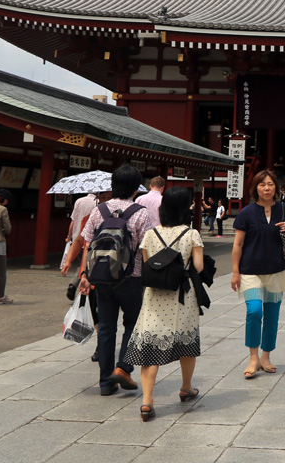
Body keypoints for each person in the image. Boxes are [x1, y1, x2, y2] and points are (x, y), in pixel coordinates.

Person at [72, 167, 154, 395]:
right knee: (133, 325)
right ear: (135, 187)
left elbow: (87, 242)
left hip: (102, 278)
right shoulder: (141, 212)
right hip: (131, 277)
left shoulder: (100, 210)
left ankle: (106, 384)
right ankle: (123, 368)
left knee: (106, 329)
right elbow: (146, 246)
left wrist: (85, 275)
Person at [125, 187, 204, 421]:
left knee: (150, 348)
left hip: (154, 297)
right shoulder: (192, 234)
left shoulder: (151, 234)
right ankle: (186, 387)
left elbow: (149, 264)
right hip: (182, 296)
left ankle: (147, 401)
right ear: (185, 207)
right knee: (186, 340)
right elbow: (198, 267)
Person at [232, 170, 285, 379]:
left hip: (276, 270)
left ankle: (266, 356)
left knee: (272, 316)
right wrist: (235, 272)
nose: (266, 188)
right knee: (254, 311)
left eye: (270, 184)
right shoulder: (247, 212)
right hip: (250, 271)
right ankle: (253, 357)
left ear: (276, 187)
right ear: (255, 188)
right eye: (262, 185)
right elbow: (238, 244)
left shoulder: (283, 209)